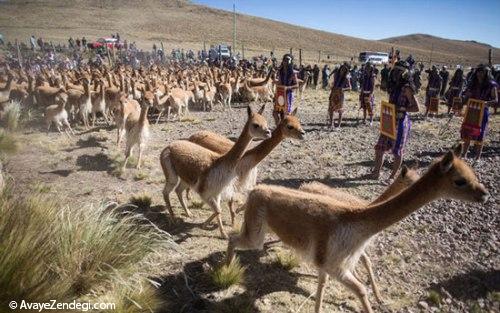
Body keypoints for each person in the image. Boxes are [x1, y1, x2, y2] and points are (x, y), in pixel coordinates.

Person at [371, 60, 419, 180]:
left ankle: (392, 177)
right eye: (395, 71)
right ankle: (376, 173)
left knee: (397, 150)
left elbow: (416, 108)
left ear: (404, 73)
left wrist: (401, 108)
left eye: (399, 71)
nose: (396, 73)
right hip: (389, 119)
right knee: (380, 147)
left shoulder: (407, 88)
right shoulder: (394, 86)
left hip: (400, 122)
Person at [460, 64, 498, 160]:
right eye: (478, 72)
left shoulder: (491, 85)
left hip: (483, 112)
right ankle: (464, 154)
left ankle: (477, 157)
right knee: (468, 131)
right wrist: (462, 102)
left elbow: (495, 100)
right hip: (471, 110)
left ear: (486, 73)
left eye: (482, 72)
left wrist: (486, 103)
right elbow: (468, 95)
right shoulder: (473, 84)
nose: (480, 74)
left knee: (480, 133)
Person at [273, 54, 298, 126]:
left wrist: (288, 88)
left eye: (288, 60)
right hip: (280, 94)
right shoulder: (280, 72)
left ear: (290, 61)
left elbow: (296, 85)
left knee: (285, 114)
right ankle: (278, 127)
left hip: (288, 95)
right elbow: (280, 82)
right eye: (284, 59)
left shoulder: (293, 73)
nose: (286, 61)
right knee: (275, 113)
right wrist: (276, 82)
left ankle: (284, 128)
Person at [327, 62, 351, 128]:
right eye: (342, 69)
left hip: (340, 95)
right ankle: (331, 124)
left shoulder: (346, 78)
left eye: (344, 69)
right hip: (334, 93)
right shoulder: (336, 75)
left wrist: (343, 89)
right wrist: (331, 88)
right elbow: (333, 84)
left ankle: (338, 125)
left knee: (340, 110)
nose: (342, 70)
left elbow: (349, 88)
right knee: (331, 108)